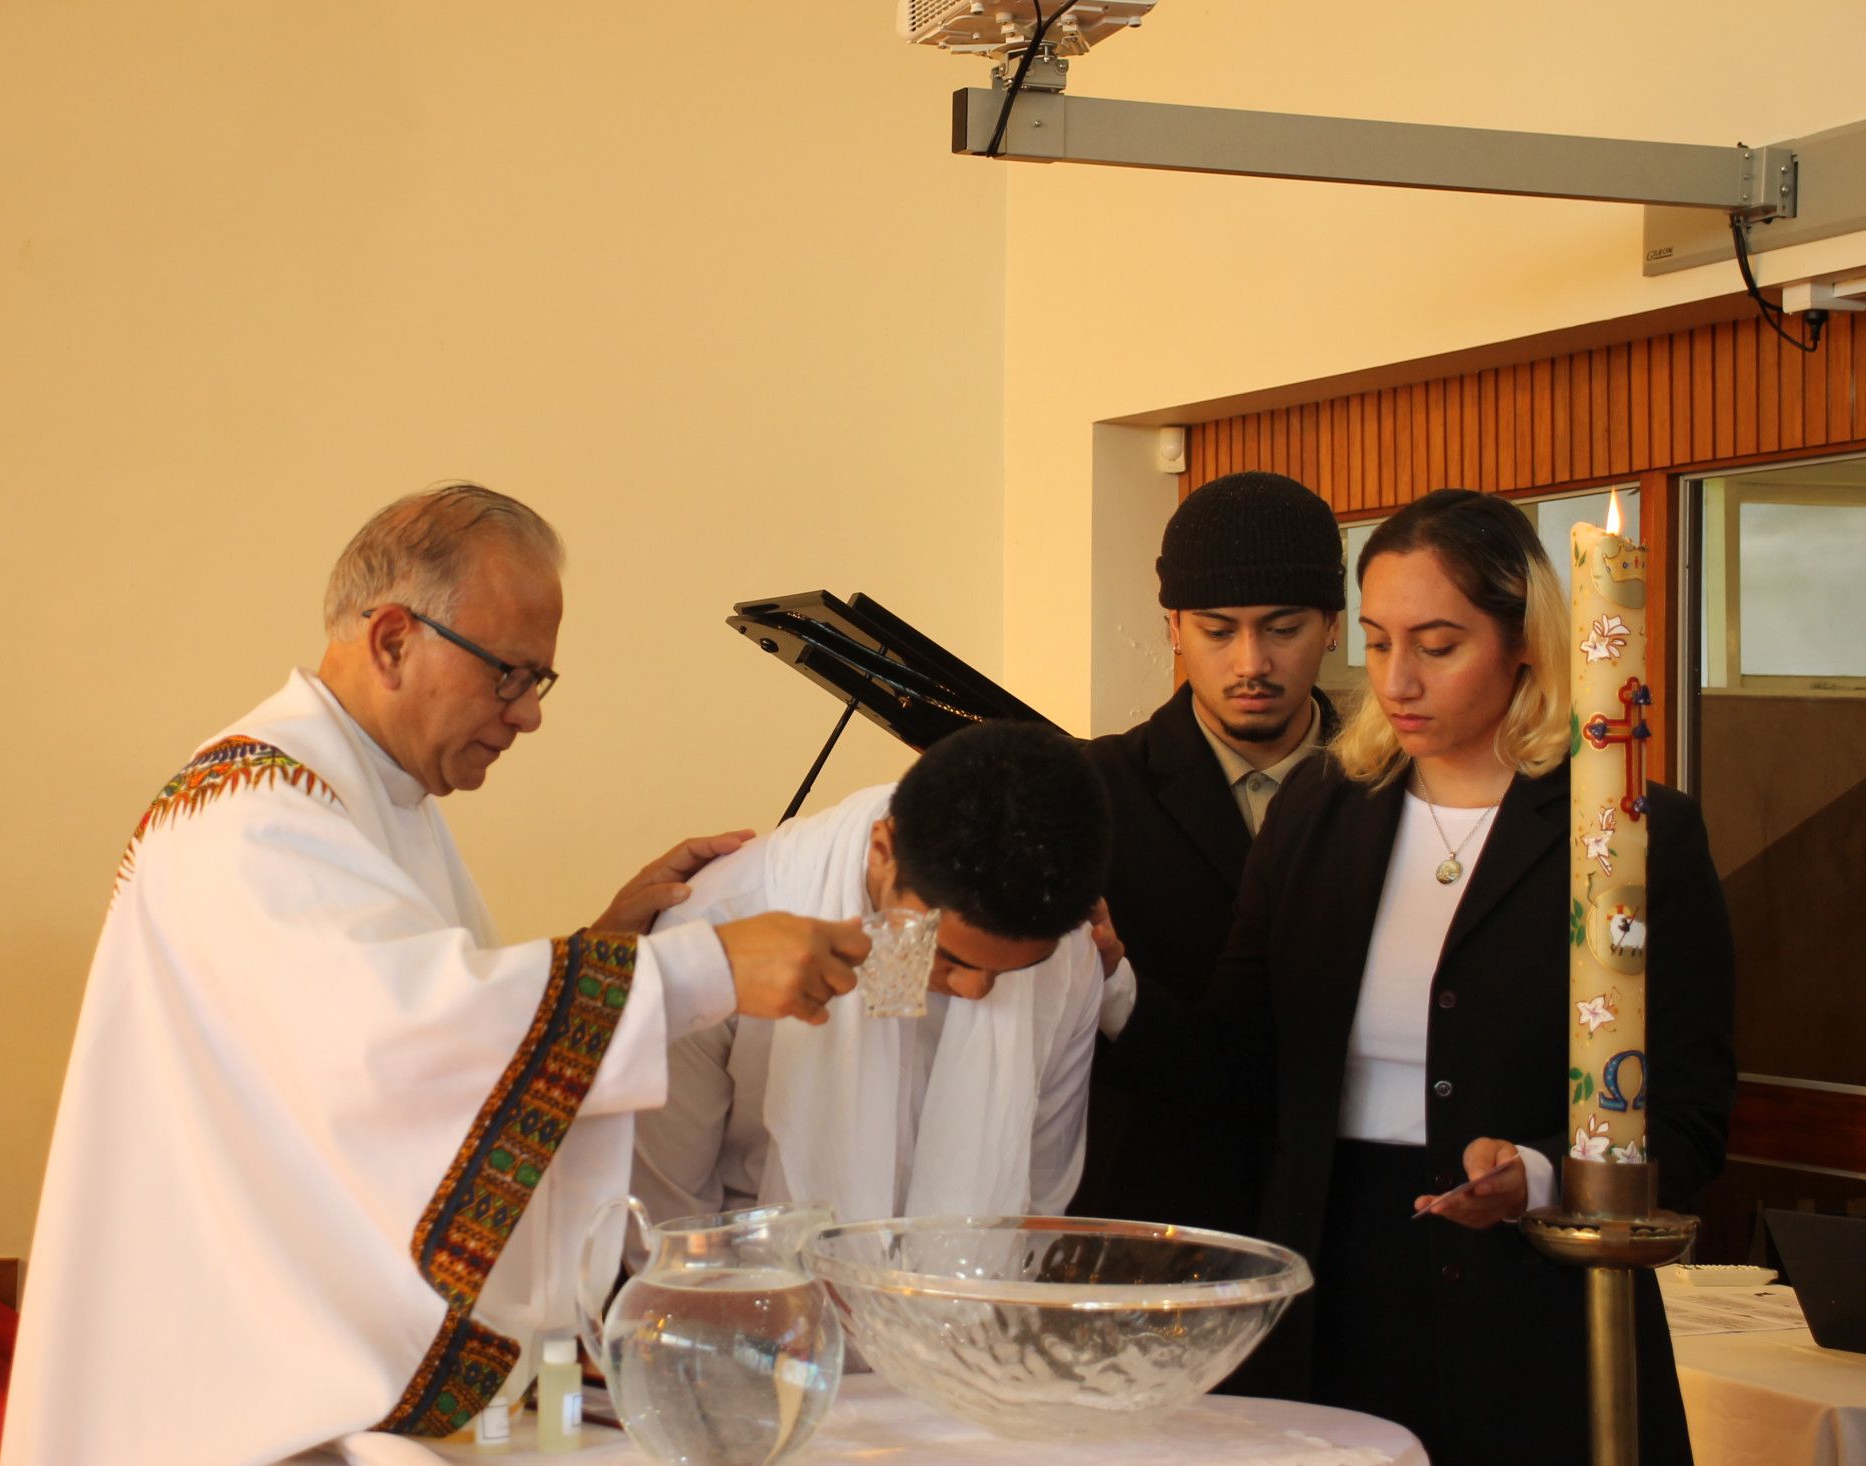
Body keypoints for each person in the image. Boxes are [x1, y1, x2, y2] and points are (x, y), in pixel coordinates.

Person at [0, 485, 871, 1466]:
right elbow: (396, 1046)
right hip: (223, 1391)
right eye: (510, 675)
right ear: (392, 641)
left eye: (540, 680)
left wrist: (610, 943)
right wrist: (701, 968)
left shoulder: (359, 795)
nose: (528, 714)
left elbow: (430, 1031)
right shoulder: (253, 816)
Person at [1117, 488, 1735, 1464]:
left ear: (1522, 641)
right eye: (1376, 642)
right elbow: (1236, 1062)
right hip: (1329, 1285)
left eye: (1437, 645)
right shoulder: (1322, 806)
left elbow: (1690, 1113)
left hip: (1529, 1304)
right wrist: (1110, 982)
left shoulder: (1626, 828)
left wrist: (1540, 1172)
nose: (1396, 679)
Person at [630, 720, 1114, 1233]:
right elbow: (664, 1225)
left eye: (1017, 971)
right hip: (742, 1268)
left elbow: (1037, 1205)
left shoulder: (1070, 954)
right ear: (883, 854)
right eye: (950, 957)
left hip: (970, 1278)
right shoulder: (717, 928)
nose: (977, 990)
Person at [1074, 471, 1345, 1234]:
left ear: (1333, 625)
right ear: (1174, 628)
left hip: (1346, 1222)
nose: (1250, 663)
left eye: (1283, 629)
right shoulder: (1095, 791)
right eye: (1218, 632)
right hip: (1149, 1219)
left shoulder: (1394, 787)